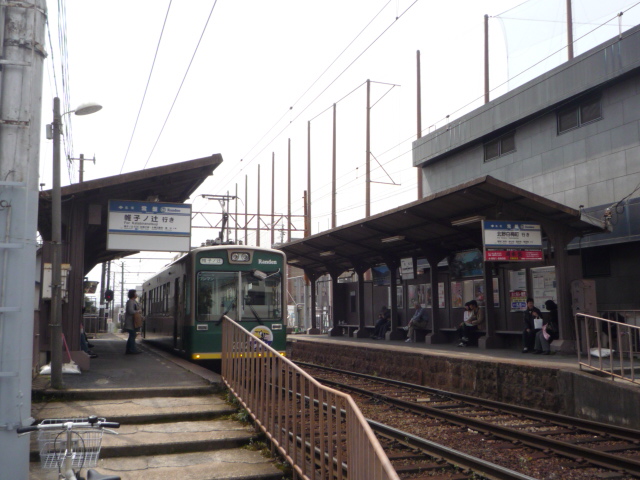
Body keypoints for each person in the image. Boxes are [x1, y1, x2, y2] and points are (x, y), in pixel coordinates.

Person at [124, 289, 142, 354]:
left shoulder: (133, 301)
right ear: (133, 294)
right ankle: (132, 349)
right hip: (131, 322)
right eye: (135, 293)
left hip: (132, 322)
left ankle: (129, 349)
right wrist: (138, 311)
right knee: (132, 335)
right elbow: (131, 311)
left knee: (132, 335)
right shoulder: (131, 302)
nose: (136, 294)